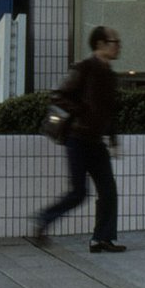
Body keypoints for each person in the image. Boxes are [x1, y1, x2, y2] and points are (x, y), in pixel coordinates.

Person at [33, 26, 127, 252]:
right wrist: (82, 110)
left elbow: (109, 111)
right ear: (101, 44)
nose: (118, 46)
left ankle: (101, 239)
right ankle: (44, 219)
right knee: (78, 193)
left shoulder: (110, 75)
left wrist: (112, 139)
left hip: (96, 141)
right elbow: (58, 95)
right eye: (115, 42)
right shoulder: (83, 68)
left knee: (108, 191)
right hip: (77, 138)